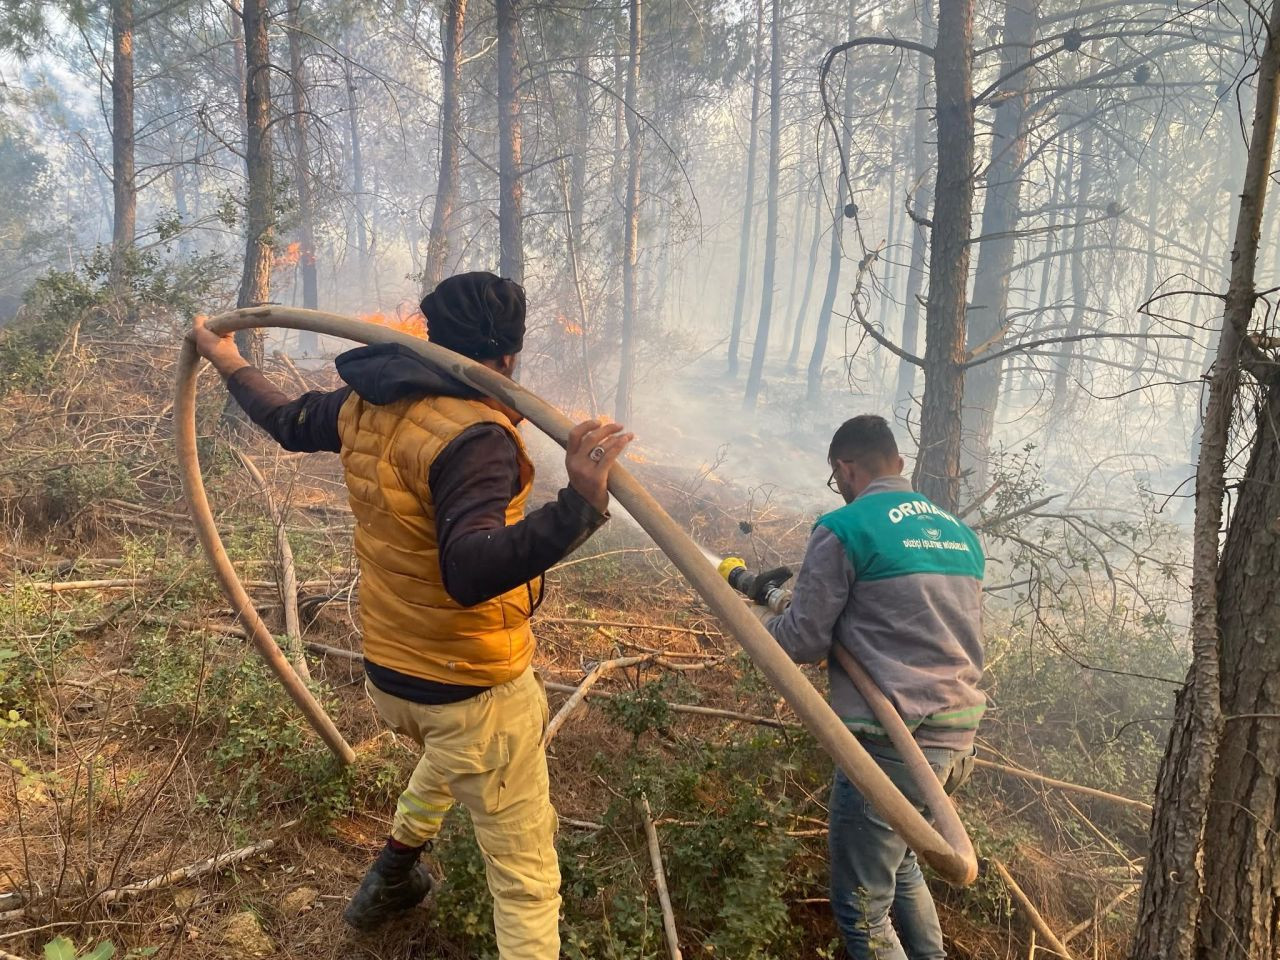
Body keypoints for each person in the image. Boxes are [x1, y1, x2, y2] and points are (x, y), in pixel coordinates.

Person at [191, 271, 633, 959]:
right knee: (525, 881)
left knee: (454, 756)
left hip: (393, 678)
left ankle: (392, 876)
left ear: (431, 336)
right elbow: (471, 571)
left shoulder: (372, 405)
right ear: (510, 357)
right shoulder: (476, 436)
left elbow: (284, 420)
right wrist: (579, 502)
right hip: (468, 685)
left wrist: (225, 357)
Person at [726, 415, 985, 960]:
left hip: (895, 744)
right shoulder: (956, 532)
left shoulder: (844, 528)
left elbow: (801, 640)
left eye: (835, 476)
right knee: (904, 858)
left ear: (844, 468)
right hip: (954, 743)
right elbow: (900, 620)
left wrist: (754, 621)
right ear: (896, 461)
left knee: (860, 907)